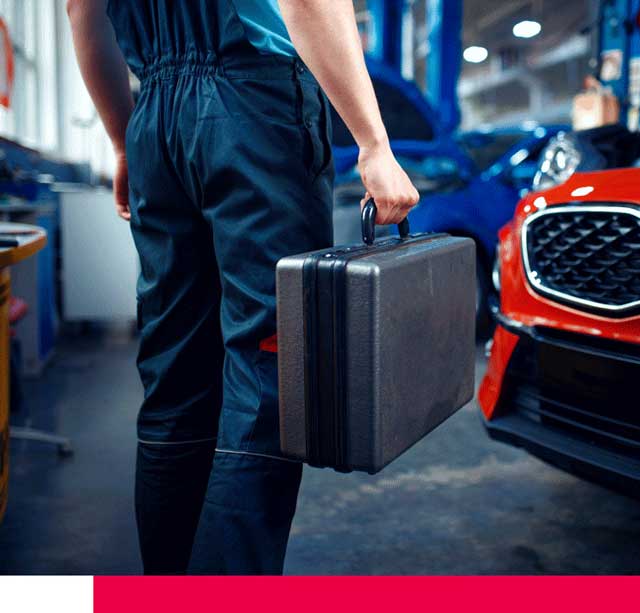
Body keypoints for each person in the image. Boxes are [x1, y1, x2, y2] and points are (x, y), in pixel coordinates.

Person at [66, 0, 419, 574]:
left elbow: (82, 11)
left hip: (156, 112)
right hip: (254, 103)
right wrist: (374, 144)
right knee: (270, 376)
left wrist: (126, 140)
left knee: (174, 377)